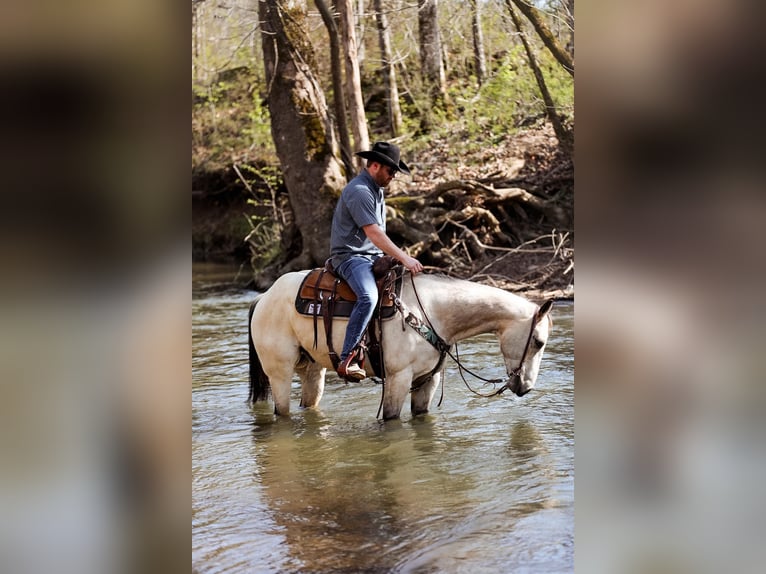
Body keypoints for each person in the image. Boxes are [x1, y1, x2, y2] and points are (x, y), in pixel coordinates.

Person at [330, 141, 424, 381]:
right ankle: (348, 357)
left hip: (370, 256)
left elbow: (376, 238)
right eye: (391, 171)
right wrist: (403, 257)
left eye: (395, 172)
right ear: (374, 165)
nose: (393, 176)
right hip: (350, 257)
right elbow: (374, 233)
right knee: (368, 296)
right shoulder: (360, 191)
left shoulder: (376, 190)